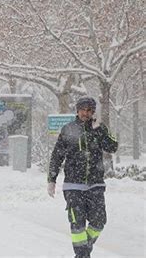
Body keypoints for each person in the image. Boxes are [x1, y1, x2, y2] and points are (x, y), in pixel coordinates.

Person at [47, 97, 118, 258]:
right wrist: (51, 179)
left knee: (99, 222)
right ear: (77, 110)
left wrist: (100, 130)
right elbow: (57, 156)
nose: (85, 113)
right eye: (82, 110)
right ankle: (82, 256)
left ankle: (83, 252)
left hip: (95, 185)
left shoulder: (99, 129)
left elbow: (113, 147)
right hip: (73, 185)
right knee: (77, 224)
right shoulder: (68, 129)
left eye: (89, 110)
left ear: (93, 112)